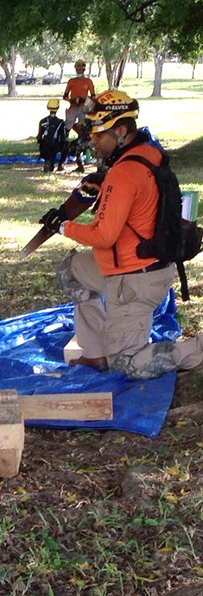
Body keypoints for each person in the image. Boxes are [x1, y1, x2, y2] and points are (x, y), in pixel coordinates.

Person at [39, 89, 203, 380]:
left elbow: (103, 236)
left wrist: (62, 226)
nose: (92, 140)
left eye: (99, 134)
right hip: (123, 267)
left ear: (122, 132)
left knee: (127, 364)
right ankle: (96, 351)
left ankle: (197, 349)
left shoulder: (125, 172)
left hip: (136, 280)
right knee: (71, 271)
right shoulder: (148, 154)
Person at [62, 60, 95, 133]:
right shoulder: (71, 81)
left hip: (83, 107)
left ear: (83, 69)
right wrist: (71, 100)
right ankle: (63, 140)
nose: (78, 70)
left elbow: (93, 97)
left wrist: (84, 100)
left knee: (83, 126)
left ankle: (82, 140)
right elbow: (65, 96)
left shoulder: (88, 81)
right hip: (73, 106)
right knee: (67, 126)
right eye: (77, 69)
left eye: (80, 69)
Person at [37, 99, 67, 173]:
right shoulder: (60, 122)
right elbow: (63, 137)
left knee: (49, 156)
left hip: (44, 146)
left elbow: (39, 136)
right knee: (66, 146)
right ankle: (61, 165)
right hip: (54, 146)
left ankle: (48, 162)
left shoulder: (42, 121)